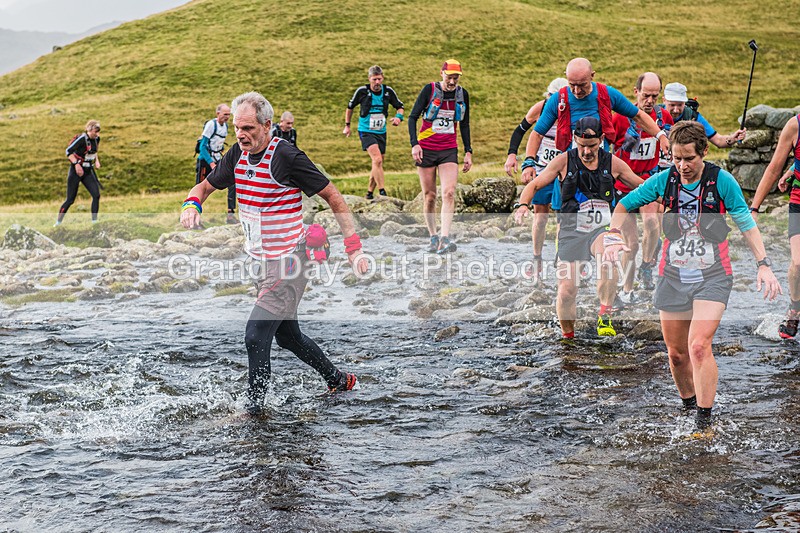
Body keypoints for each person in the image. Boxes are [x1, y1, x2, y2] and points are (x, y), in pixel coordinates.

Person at [180, 92, 368, 414]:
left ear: (268, 125)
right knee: (288, 336)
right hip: (261, 263)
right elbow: (204, 187)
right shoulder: (237, 155)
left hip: (291, 260)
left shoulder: (287, 157)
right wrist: (191, 204)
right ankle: (339, 380)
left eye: (249, 128)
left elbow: (334, 198)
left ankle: (255, 413)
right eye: (238, 127)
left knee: (255, 334)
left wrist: (353, 249)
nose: (241, 134)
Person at [603, 121, 781, 430]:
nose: (683, 166)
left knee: (698, 346)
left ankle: (703, 422)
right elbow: (623, 204)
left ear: (704, 153)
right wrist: (613, 234)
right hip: (672, 275)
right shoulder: (664, 180)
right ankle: (688, 406)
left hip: (714, 274)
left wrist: (763, 264)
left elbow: (746, 224)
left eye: (689, 158)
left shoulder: (722, 181)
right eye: (677, 158)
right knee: (676, 354)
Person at [513, 117, 644, 338]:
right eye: (581, 145)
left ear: (601, 140)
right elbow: (535, 184)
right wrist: (523, 205)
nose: (586, 152)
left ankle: (604, 314)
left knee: (608, 256)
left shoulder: (612, 163)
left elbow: (642, 185)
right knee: (566, 291)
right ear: (575, 139)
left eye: (592, 146)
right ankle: (568, 337)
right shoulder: (564, 161)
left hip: (601, 229)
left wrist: (667, 195)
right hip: (571, 232)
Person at [521, 58, 669, 186]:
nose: (577, 91)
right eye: (572, 85)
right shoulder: (558, 100)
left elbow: (638, 115)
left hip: (600, 170)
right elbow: (537, 133)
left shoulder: (607, 94)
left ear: (592, 76)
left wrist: (660, 135)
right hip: (568, 170)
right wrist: (529, 162)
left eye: (582, 85)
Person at [611, 72, 675, 299]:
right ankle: (626, 289)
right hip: (623, 185)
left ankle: (647, 267)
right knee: (632, 244)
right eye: (646, 95)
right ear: (636, 92)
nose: (649, 101)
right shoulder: (620, 118)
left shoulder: (663, 117)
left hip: (648, 181)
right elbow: (607, 148)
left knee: (651, 223)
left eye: (655, 97)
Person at [504, 77, 568, 282]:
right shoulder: (539, 109)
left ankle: (562, 259)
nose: (554, 103)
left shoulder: (573, 112)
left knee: (562, 216)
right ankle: (537, 259)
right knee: (540, 217)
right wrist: (512, 155)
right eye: (551, 98)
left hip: (562, 172)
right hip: (540, 170)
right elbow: (520, 131)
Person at [408, 59, 473, 254]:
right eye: (449, 77)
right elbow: (412, 118)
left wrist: (468, 151)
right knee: (430, 196)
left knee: (449, 193)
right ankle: (433, 237)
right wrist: (415, 145)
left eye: (455, 78)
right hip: (426, 149)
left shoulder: (463, 95)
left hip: (448, 150)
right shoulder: (429, 90)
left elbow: (465, 124)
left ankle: (445, 238)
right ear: (441, 74)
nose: (452, 81)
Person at [750, 113, 800, 338]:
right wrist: (754, 208)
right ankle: (795, 309)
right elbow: (772, 168)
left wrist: (792, 170)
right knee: (798, 264)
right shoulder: (795, 125)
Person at [344, 65, 405, 199]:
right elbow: (350, 107)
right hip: (366, 130)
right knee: (377, 159)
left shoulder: (388, 91)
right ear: (369, 79)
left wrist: (398, 118)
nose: (377, 82)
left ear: (382, 78)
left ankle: (369, 193)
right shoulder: (362, 91)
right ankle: (382, 192)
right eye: (374, 79)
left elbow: (400, 107)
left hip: (381, 131)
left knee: (377, 163)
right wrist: (347, 125)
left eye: (379, 79)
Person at [660, 82, 746, 150]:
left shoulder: (693, 117)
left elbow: (718, 141)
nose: (676, 110)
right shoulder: (654, 114)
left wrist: (733, 139)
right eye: (672, 105)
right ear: (664, 100)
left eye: (680, 105)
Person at [56, 119, 102, 225]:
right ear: (89, 130)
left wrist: (97, 161)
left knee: (96, 195)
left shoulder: (97, 139)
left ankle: (94, 222)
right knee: (70, 200)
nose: (97, 134)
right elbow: (68, 151)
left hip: (88, 170)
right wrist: (76, 164)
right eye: (96, 131)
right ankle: (58, 223)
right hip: (76, 171)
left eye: (98, 131)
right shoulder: (82, 139)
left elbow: (95, 151)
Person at [196, 104, 234, 223]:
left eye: (229, 114)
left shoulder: (226, 126)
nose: (227, 117)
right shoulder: (211, 125)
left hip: (217, 159)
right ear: (218, 113)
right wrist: (211, 164)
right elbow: (202, 147)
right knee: (200, 190)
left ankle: (230, 215)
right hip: (205, 161)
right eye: (225, 114)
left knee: (232, 182)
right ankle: (195, 218)